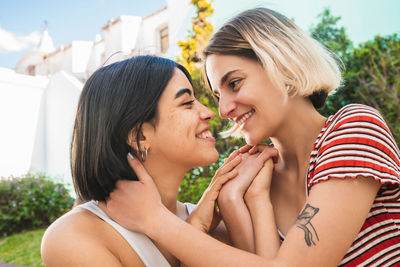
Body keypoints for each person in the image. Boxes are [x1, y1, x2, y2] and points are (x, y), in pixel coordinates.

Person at [100, 8, 400, 266]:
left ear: (282, 64)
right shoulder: (255, 180)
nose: (223, 109)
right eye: (218, 95)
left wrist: (154, 220)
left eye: (235, 83)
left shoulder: (355, 127)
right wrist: (234, 200)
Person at [41, 55, 276, 266]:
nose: (209, 112)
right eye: (187, 103)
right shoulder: (75, 236)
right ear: (139, 136)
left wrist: (245, 197)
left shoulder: (210, 221)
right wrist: (192, 230)